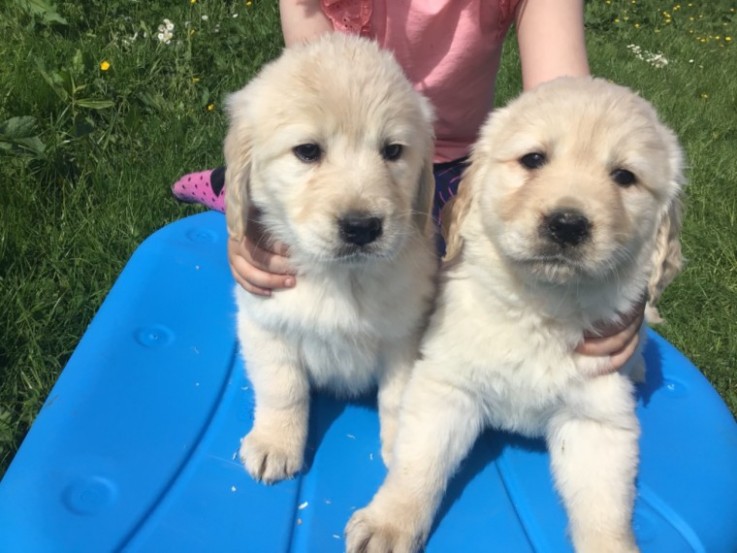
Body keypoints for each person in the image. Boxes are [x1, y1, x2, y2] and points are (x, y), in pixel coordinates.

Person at [171, 0, 644, 371]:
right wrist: (248, 222)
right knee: (279, 201)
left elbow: (570, 112)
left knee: (467, 282)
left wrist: (616, 272)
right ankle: (226, 184)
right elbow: (298, 102)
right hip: (343, 149)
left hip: (451, 164)